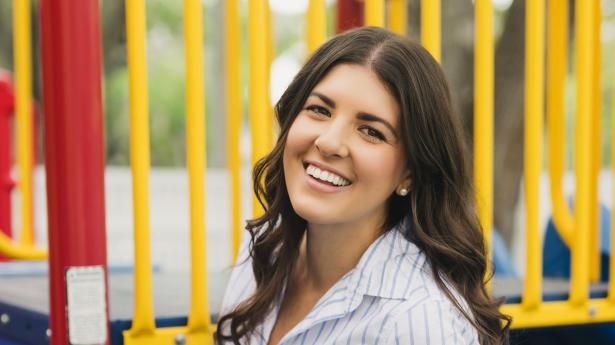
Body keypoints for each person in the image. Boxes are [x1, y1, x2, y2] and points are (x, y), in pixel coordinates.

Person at [216, 26, 510, 345]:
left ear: (409, 172)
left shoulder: (415, 320)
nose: (329, 142)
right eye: (319, 109)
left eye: (370, 131)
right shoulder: (262, 252)